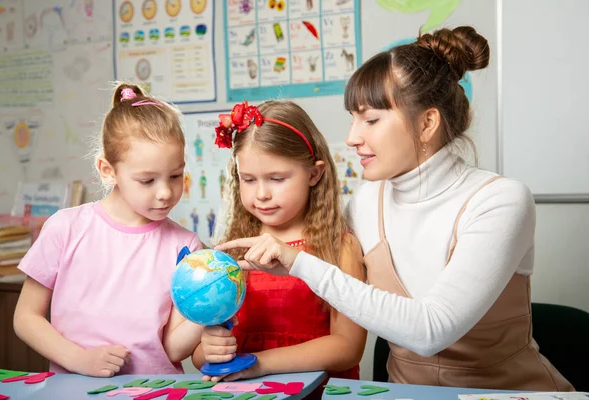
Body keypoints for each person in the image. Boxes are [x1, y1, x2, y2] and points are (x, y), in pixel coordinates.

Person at [216, 27, 574, 391]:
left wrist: (299, 264)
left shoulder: (501, 201)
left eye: (370, 119)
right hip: (405, 393)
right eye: (353, 118)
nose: (353, 136)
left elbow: (431, 330)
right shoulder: (366, 203)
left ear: (427, 124)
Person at [13, 83, 203, 377]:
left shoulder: (187, 246)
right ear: (107, 170)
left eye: (175, 175)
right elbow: (26, 317)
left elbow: (173, 350)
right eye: (147, 180)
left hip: (160, 392)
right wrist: (78, 360)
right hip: (75, 392)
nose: (166, 192)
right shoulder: (66, 228)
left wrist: (213, 307)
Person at [191, 100, 367, 388]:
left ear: (314, 174)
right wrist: (209, 349)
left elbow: (347, 348)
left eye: (277, 178)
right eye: (248, 179)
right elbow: (201, 356)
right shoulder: (230, 252)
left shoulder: (340, 248)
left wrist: (260, 364)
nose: (261, 194)